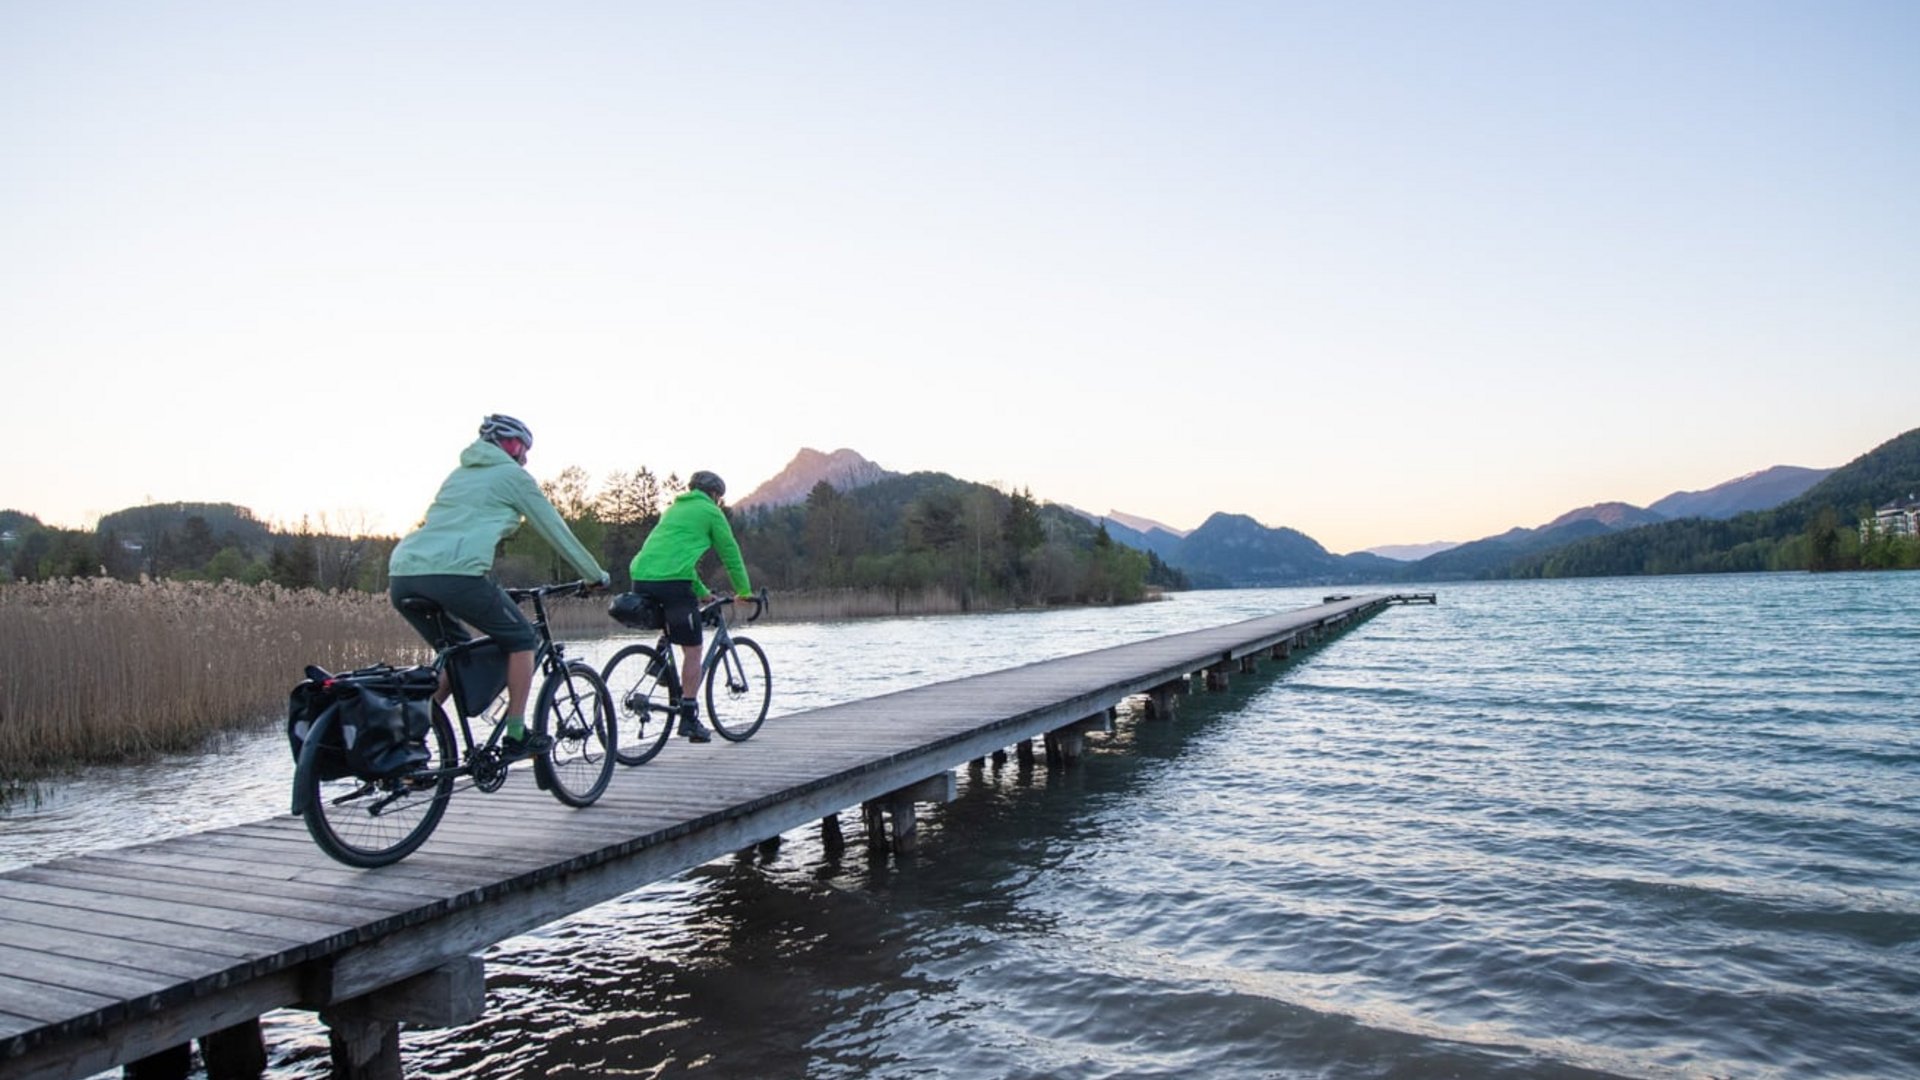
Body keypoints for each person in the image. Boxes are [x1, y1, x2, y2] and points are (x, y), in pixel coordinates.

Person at [388, 414, 610, 757]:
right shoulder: (513, 477)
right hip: (455, 575)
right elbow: (555, 530)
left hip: (403, 575)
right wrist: (594, 574)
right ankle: (516, 734)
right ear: (510, 445)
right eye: (523, 447)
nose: (525, 456)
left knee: (456, 655)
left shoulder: (458, 475)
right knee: (523, 639)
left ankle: (407, 742)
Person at [627, 470, 752, 742]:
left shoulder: (673, 510)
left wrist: (702, 592)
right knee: (693, 649)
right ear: (715, 495)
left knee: (674, 626)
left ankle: (660, 667)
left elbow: (676, 559)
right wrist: (745, 591)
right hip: (673, 582)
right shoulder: (711, 512)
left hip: (639, 577)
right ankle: (689, 718)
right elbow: (731, 554)